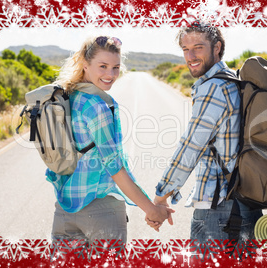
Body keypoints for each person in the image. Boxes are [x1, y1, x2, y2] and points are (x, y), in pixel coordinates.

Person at [47, 36, 173, 243]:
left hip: (64, 210)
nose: (110, 74)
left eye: (115, 67)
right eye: (103, 66)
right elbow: (114, 167)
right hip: (100, 210)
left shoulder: (65, 98)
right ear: (85, 65)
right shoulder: (97, 106)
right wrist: (152, 210)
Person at [147, 22, 262, 243]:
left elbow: (191, 146)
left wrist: (161, 196)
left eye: (198, 47)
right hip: (246, 205)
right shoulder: (234, 80)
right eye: (185, 49)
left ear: (217, 47)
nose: (190, 56)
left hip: (219, 212)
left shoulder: (213, 87)